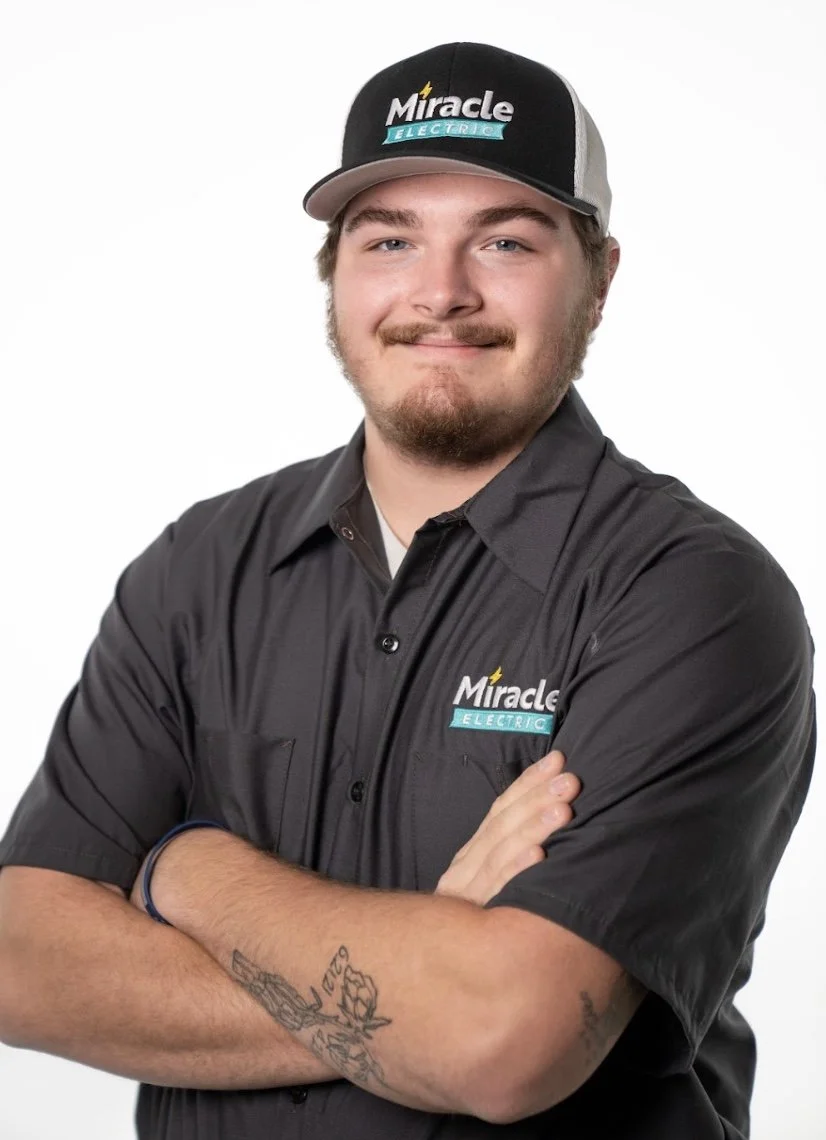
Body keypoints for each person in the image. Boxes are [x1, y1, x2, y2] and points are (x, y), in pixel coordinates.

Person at [0, 40, 815, 1140]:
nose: (442, 293)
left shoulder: (689, 597)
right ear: (335, 273)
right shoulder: (199, 570)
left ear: (599, 279)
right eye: (390, 240)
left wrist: (192, 871)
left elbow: (500, 1043)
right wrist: (419, 983)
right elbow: (21, 960)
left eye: (506, 242)